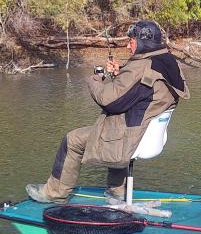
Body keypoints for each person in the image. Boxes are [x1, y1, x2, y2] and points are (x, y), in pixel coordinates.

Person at [26, 20, 190, 203]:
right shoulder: (167, 61)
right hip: (147, 133)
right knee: (118, 122)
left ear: (144, 41)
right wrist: (120, 74)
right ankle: (117, 191)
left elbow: (109, 101)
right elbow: (140, 92)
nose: (128, 46)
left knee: (72, 140)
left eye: (131, 41)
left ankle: (54, 193)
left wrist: (96, 79)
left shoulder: (140, 67)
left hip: (132, 136)